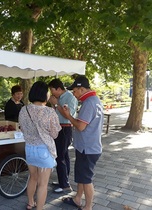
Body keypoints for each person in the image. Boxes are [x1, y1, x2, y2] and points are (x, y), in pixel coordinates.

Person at [61, 75, 103, 210]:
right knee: (81, 176)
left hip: (87, 148)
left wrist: (68, 116)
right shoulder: (94, 100)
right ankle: (78, 199)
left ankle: (88, 207)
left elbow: (80, 126)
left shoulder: (89, 102)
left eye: (74, 91)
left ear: (82, 89)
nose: (73, 94)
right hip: (87, 147)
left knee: (86, 179)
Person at [19, 81, 61, 210]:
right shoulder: (49, 112)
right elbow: (54, 134)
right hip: (44, 150)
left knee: (32, 178)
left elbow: (22, 128)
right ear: (44, 94)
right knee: (43, 184)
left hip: (29, 148)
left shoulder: (24, 109)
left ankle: (31, 203)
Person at [48, 78, 78, 193]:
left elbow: (67, 115)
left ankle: (65, 185)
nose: (51, 93)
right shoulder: (59, 98)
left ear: (59, 89)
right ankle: (63, 180)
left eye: (52, 90)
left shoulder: (70, 97)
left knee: (60, 156)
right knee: (63, 155)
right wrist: (54, 105)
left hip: (65, 128)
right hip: (58, 128)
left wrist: (56, 104)